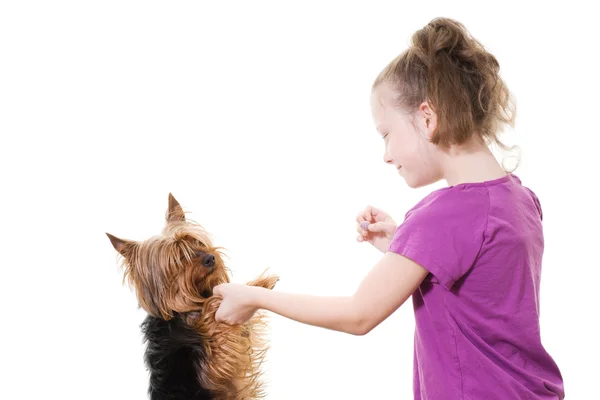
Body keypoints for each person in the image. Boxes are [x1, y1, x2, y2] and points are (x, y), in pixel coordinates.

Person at [213, 17, 565, 399]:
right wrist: (405, 245)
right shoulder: (520, 199)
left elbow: (359, 314)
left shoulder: (441, 216)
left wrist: (254, 297)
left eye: (386, 134)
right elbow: (485, 291)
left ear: (427, 118)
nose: (385, 155)